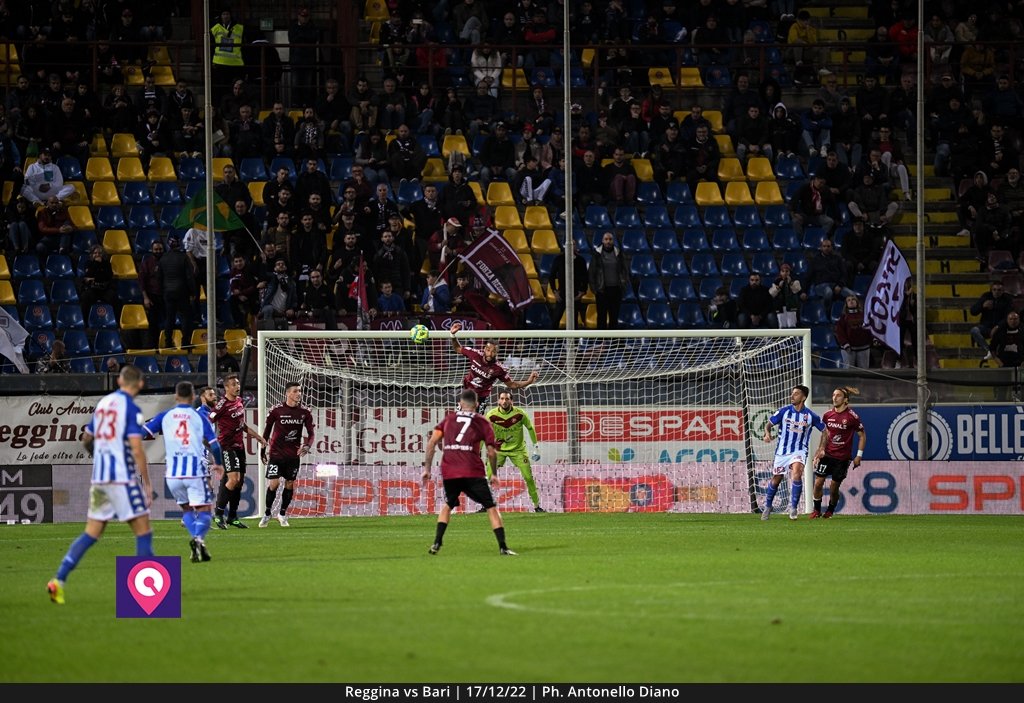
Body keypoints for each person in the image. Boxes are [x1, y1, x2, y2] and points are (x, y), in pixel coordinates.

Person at [47, 366, 152, 604]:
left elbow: (86, 439)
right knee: (143, 531)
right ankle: (144, 598)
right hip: (122, 478)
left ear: (118, 380)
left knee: (92, 532)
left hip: (100, 478)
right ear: (141, 385)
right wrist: (146, 483)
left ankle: (58, 580)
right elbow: (137, 449)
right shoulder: (132, 409)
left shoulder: (103, 404)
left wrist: (102, 457)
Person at [421, 389, 517, 556]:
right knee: (491, 506)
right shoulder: (482, 421)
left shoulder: (449, 419)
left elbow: (431, 444)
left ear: (460, 403)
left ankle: (437, 542)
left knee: (448, 504)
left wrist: (427, 469)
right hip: (473, 471)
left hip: (450, 471)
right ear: (477, 404)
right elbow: (492, 452)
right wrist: (494, 474)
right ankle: (503, 546)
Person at [143, 381, 223, 563]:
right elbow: (215, 445)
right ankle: (199, 539)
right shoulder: (199, 417)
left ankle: (197, 540)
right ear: (194, 396)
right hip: (195, 471)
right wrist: (218, 463)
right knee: (204, 511)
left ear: (176, 396)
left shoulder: (165, 416)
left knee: (187, 510)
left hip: (173, 474)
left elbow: (143, 433)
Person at [210, 372, 268, 529]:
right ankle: (218, 514)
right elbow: (209, 419)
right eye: (234, 384)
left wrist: (258, 437)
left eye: (238, 383)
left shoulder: (239, 402)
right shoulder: (222, 405)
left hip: (239, 447)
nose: (237, 386)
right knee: (233, 479)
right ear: (226, 387)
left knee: (239, 482)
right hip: (226, 447)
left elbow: (242, 425)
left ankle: (232, 516)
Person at [761, 384, 825, 520]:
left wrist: (821, 448)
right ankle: (767, 506)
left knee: (797, 473)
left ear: (804, 397)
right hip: (782, 452)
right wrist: (767, 433)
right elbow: (768, 424)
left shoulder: (810, 416)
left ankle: (793, 508)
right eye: (792, 393)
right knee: (776, 479)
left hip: (799, 451)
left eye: (796, 393)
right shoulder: (784, 411)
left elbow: (825, 432)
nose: (792, 395)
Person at [258, 382, 315, 528]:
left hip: (293, 455)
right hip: (276, 454)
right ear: (288, 393)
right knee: (274, 483)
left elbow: (311, 433)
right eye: (296, 391)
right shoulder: (276, 410)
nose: (299, 394)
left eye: (300, 391)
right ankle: (267, 513)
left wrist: (308, 445)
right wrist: (263, 450)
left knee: (290, 483)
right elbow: (267, 430)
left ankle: (282, 514)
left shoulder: (305, 412)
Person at [449, 321, 539, 412]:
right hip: (467, 393)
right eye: (488, 350)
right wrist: (453, 335)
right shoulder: (474, 354)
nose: (490, 353)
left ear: (496, 353)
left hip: (481, 398)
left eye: (493, 351)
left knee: (476, 423)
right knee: (458, 419)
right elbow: (458, 348)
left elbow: (512, 384)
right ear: (484, 349)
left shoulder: (498, 369)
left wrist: (529, 381)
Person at [811, 386, 866, 518]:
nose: (834, 398)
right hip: (827, 454)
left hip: (842, 458)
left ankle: (830, 510)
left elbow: (862, 436)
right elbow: (825, 435)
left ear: (845, 400)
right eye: (833, 395)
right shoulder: (827, 415)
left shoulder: (852, 417)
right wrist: (820, 450)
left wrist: (859, 456)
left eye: (838, 395)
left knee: (833, 488)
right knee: (818, 483)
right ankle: (816, 510)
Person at [486, 390, 544, 512]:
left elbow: (530, 428)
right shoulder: (491, 415)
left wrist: (536, 447)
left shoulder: (520, 414)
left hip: (518, 450)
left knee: (528, 477)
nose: (504, 401)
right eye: (502, 398)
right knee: (489, 477)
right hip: (498, 451)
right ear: (498, 400)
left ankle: (537, 506)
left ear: (512, 401)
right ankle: (485, 505)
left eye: (507, 399)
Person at [588, 231, 629, 330]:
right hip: (602, 291)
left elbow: (625, 271)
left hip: (616, 290)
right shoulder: (597, 254)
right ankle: (601, 342)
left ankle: (613, 343)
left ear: (613, 241)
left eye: (610, 239)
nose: (608, 241)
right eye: (606, 239)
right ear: (602, 241)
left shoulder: (618, 253)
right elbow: (591, 272)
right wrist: (595, 290)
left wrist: (623, 285)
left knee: (614, 318)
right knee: (601, 317)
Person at [970, 281, 1013, 364]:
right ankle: (989, 350)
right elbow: (973, 311)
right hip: (986, 327)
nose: (997, 292)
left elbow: (1008, 317)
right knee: (974, 330)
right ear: (991, 290)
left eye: (999, 290)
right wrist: (982, 306)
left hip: (1000, 328)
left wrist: (997, 327)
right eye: (994, 290)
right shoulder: (986, 296)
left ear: (1003, 290)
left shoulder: (1007, 299)